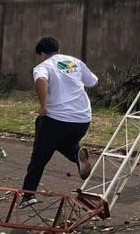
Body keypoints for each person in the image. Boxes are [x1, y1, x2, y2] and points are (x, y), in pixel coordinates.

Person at [19, 36, 98, 208]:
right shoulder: (74, 62)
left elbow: (41, 81)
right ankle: (77, 156)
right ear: (57, 48)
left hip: (57, 120)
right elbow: (93, 81)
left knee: (39, 157)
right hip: (83, 119)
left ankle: (28, 195)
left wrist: (43, 106)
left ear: (41, 53)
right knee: (60, 142)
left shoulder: (43, 66)